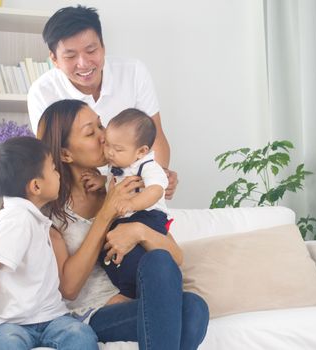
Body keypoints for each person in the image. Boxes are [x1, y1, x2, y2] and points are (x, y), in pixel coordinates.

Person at [37, 99, 209, 349]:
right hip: (92, 313)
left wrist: (138, 230)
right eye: (90, 132)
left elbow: (176, 257)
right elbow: (70, 288)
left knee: (193, 305)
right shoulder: (52, 211)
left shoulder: (129, 185)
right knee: (189, 311)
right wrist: (106, 214)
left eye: (100, 126)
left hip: (144, 298)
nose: (103, 136)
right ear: (65, 153)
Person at [0, 136, 98, 350]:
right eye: (53, 169)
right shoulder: (17, 220)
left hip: (52, 318)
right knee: (8, 343)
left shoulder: (34, 219)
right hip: (11, 324)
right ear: (36, 186)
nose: (59, 174)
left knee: (81, 335)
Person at [27, 5, 179, 199]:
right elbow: (52, 159)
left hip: (134, 187)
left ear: (103, 46)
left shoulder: (133, 72)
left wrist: (157, 176)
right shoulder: (42, 92)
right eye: (71, 56)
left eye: (91, 50)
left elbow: (155, 138)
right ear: (54, 59)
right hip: (77, 192)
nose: (83, 63)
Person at [81, 108, 171, 300]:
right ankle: (128, 288)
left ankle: (135, 289)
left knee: (133, 254)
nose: (110, 153)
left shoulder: (148, 166)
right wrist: (101, 182)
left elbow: (156, 191)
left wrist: (132, 204)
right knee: (106, 250)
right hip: (127, 218)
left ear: (141, 151)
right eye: (108, 145)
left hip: (148, 216)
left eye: (118, 149)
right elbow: (113, 183)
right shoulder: (120, 165)